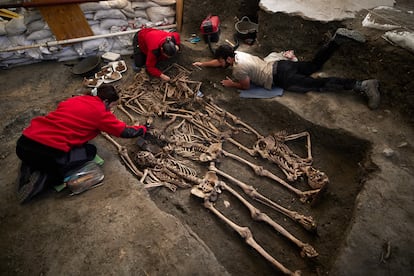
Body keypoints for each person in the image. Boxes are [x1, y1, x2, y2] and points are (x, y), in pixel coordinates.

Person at [15, 84, 148, 203]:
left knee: (39, 154)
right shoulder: (101, 113)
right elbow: (124, 132)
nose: (111, 110)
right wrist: (143, 129)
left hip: (25, 141)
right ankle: (41, 181)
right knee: (89, 152)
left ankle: (28, 167)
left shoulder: (76, 99)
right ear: (106, 101)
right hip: (46, 151)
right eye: (112, 106)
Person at [192, 28, 380, 110]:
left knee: (317, 84)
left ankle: (362, 85)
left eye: (220, 61)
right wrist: (203, 64)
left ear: (228, 59)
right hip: (281, 64)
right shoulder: (239, 54)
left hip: (282, 79)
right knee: (314, 65)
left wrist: (231, 84)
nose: (219, 64)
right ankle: (335, 41)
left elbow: (246, 87)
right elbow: (220, 62)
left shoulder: (238, 70)